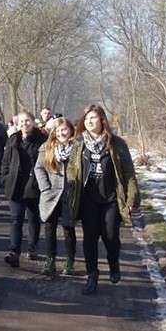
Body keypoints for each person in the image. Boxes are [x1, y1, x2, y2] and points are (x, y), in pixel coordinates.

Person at [66, 104, 141, 295]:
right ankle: (92, 275)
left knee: (111, 237)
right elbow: (71, 170)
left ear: (102, 120)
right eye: (87, 119)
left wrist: (132, 199)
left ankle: (113, 263)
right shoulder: (77, 144)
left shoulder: (116, 144)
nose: (90, 122)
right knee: (90, 239)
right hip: (88, 199)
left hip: (111, 199)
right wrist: (69, 193)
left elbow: (129, 173)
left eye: (94, 118)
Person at [1, 110, 47, 268]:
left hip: (34, 184)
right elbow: (5, 161)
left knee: (33, 218)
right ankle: (14, 251)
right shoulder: (13, 139)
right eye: (21, 121)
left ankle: (32, 247)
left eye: (27, 121)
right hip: (15, 184)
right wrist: (5, 177)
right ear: (17, 123)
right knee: (16, 219)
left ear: (33, 122)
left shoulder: (42, 139)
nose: (24, 124)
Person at [33, 117, 78, 277]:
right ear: (54, 133)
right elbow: (39, 168)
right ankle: (50, 260)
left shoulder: (78, 148)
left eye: (64, 130)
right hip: (50, 193)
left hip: (69, 194)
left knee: (68, 228)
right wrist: (45, 187)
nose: (62, 133)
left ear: (71, 130)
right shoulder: (47, 147)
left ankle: (70, 260)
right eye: (58, 131)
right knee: (49, 228)